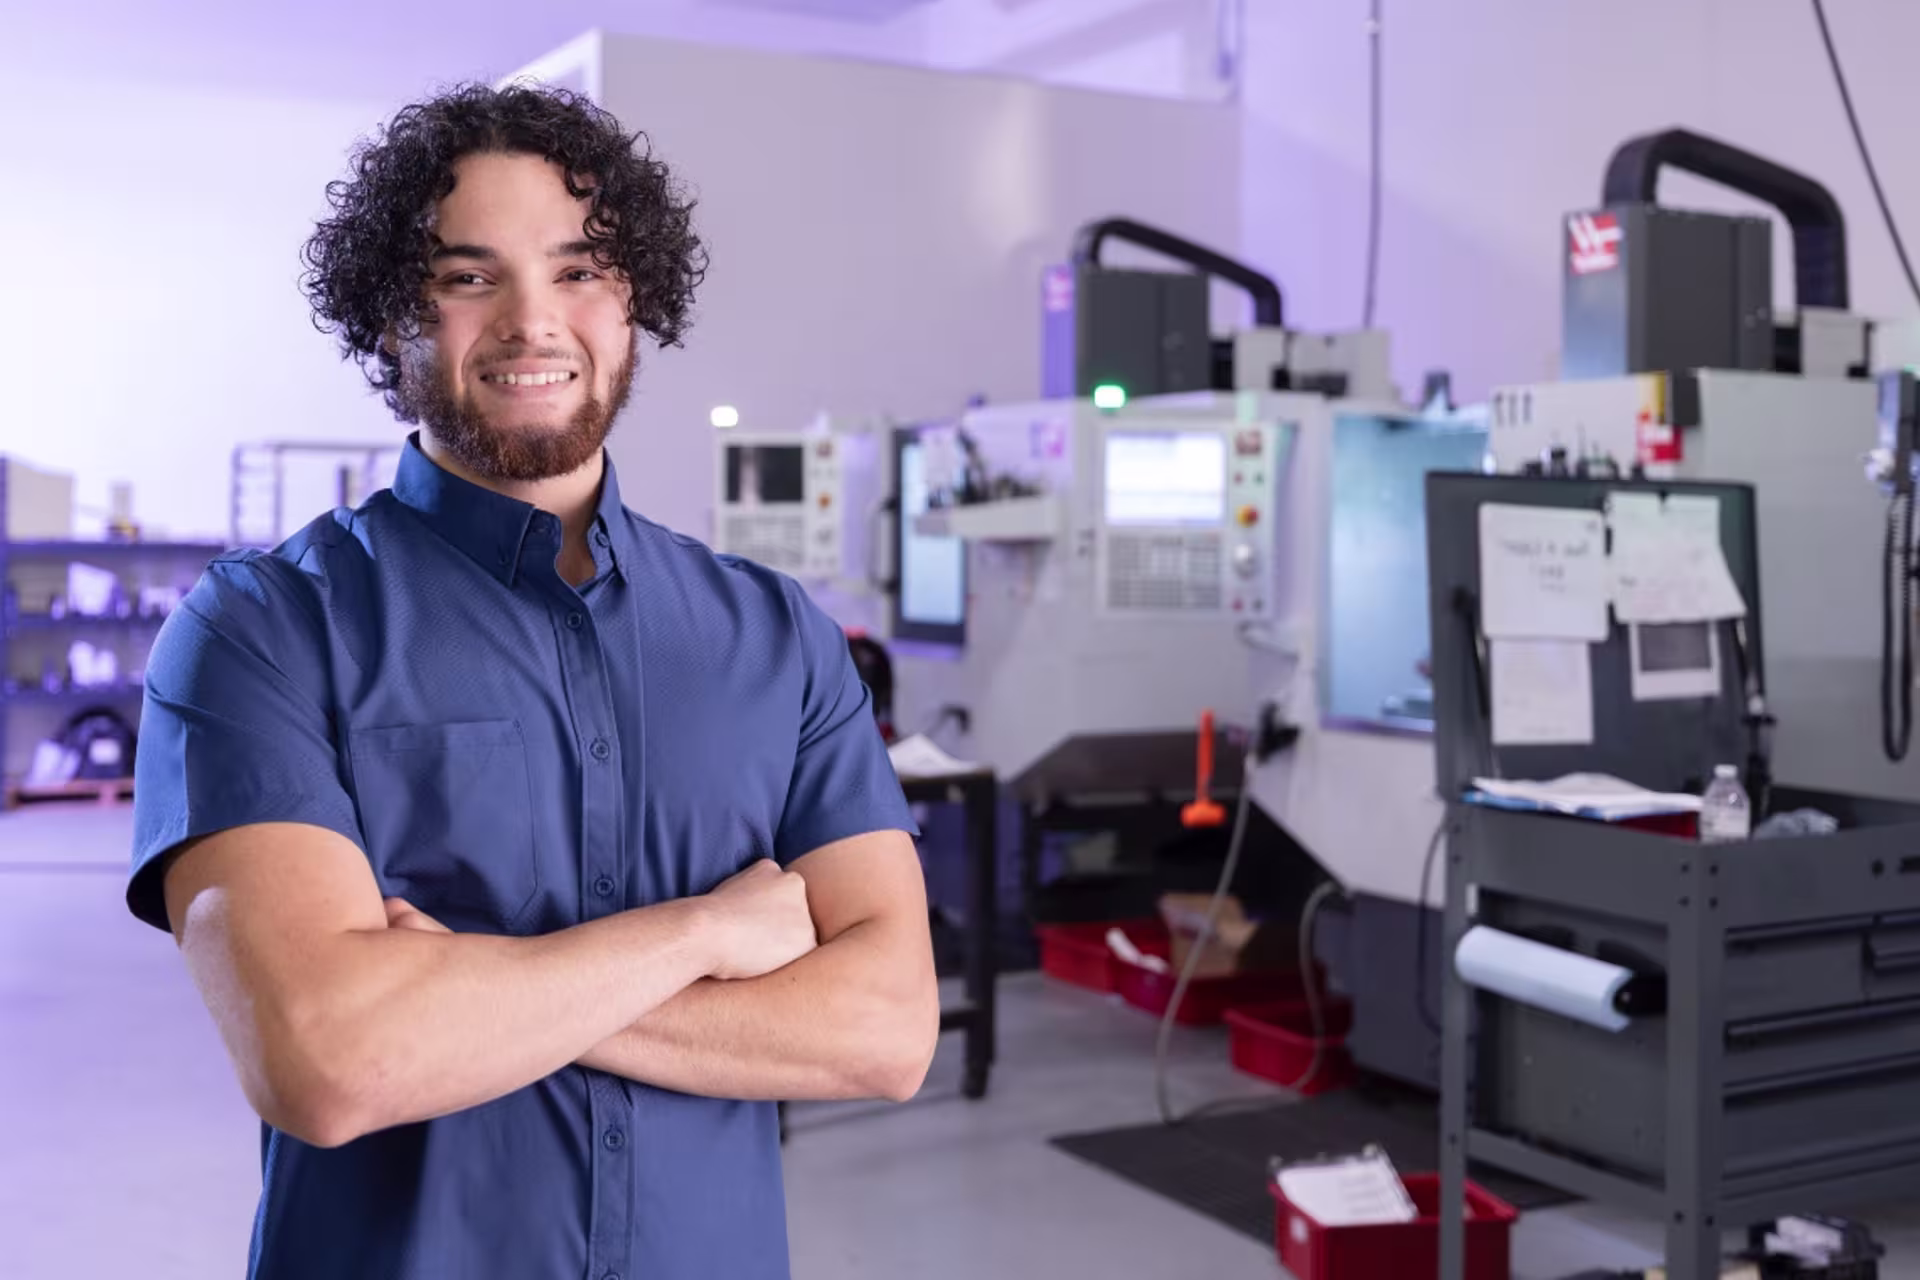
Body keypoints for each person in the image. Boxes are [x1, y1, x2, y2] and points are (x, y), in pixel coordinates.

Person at [126, 82, 939, 1280]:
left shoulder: (775, 635)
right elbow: (332, 1059)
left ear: (634, 297)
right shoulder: (261, 630)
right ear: (391, 312)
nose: (532, 320)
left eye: (580, 270)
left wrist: (459, 988)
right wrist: (709, 930)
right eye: (468, 276)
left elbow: (886, 1030)